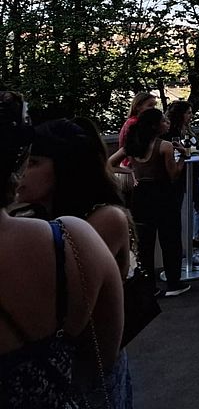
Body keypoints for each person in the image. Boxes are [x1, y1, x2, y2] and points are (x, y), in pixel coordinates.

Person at [0, 91, 123, 409]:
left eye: (36, 163)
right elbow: (103, 357)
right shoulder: (71, 238)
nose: (27, 173)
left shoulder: (96, 224)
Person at [108, 108, 188, 296]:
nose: (167, 123)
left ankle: (148, 287)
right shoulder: (164, 146)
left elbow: (110, 163)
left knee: (145, 243)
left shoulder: (131, 145)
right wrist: (184, 157)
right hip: (163, 194)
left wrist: (132, 171)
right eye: (163, 121)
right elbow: (173, 175)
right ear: (155, 126)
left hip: (140, 195)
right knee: (170, 239)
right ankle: (174, 283)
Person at [164, 101, 199, 247]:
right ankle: (175, 243)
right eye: (189, 113)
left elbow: (195, 145)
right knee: (175, 209)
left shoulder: (187, 129)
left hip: (191, 172)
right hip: (179, 173)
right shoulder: (171, 132)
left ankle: (198, 237)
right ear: (180, 114)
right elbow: (176, 152)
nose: (192, 115)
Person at [114, 91, 158, 201]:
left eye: (154, 106)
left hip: (129, 168)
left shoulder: (133, 121)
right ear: (138, 107)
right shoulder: (135, 123)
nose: (153, 109)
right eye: (150, 105)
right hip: (131, 170)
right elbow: (133, 149)